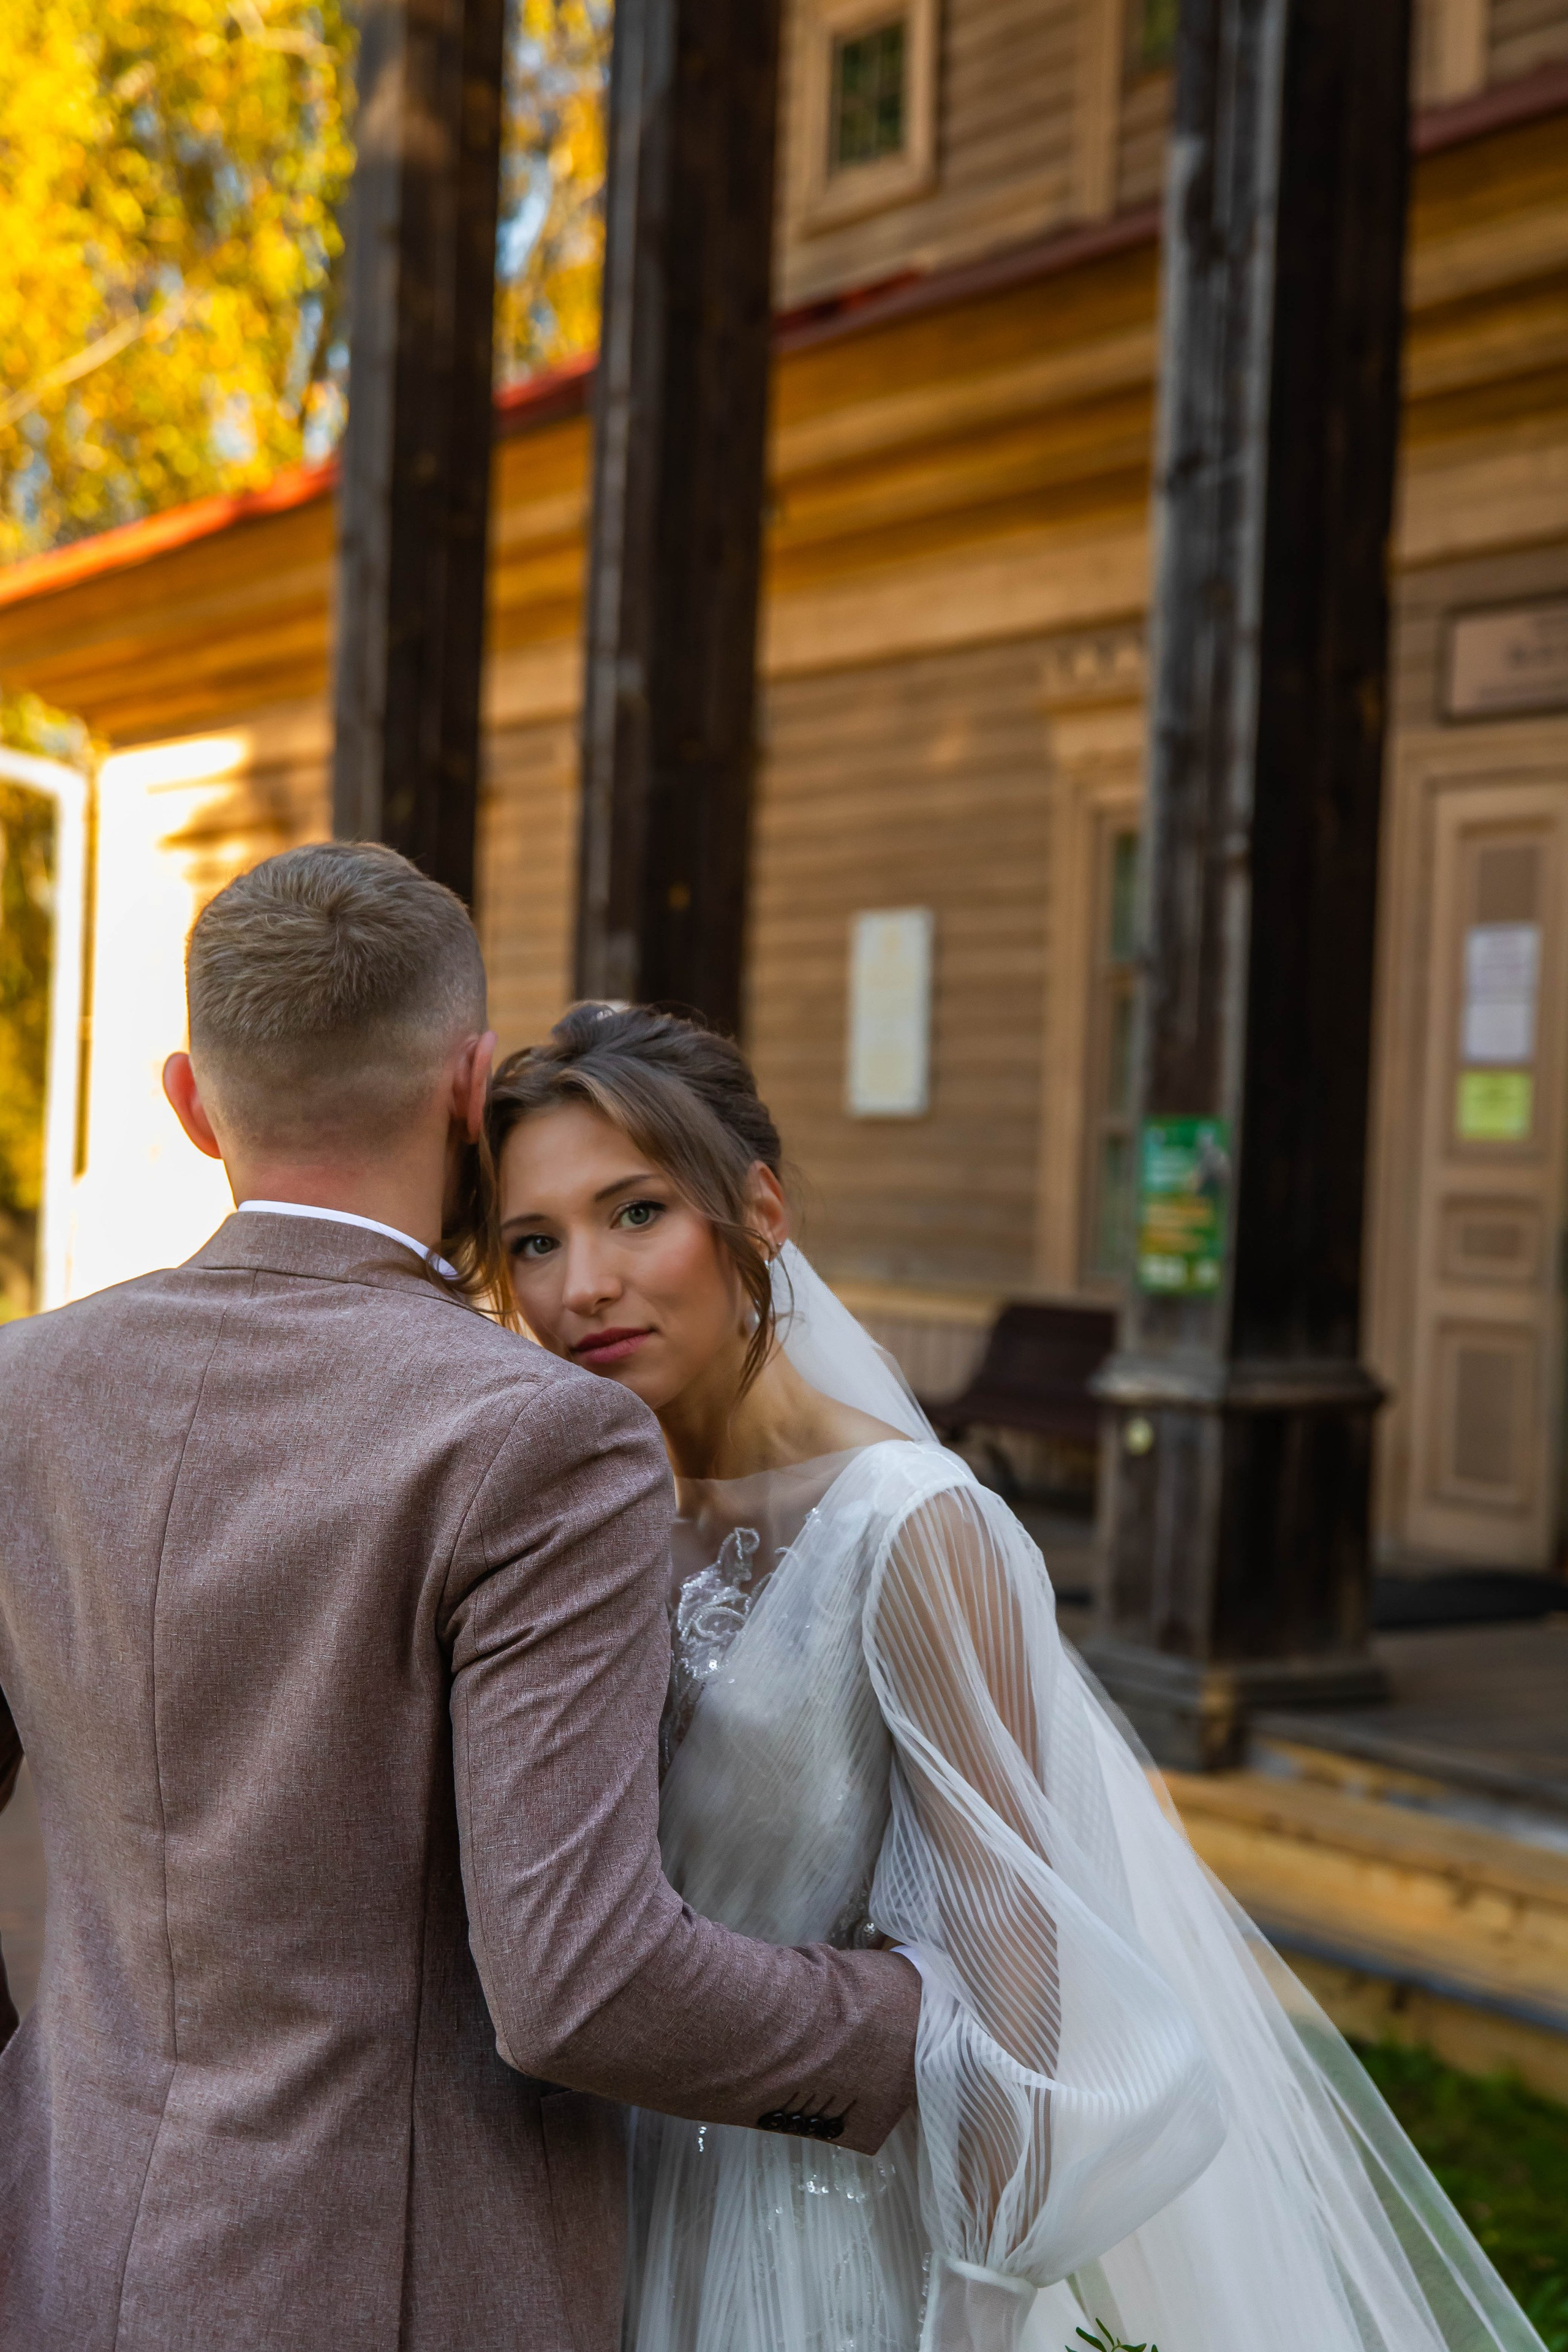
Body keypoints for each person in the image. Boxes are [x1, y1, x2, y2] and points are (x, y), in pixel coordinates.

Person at [479, 1001, 1545, 2352]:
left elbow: (1016, 1983)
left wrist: (972, 2307)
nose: (582, 1284)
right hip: (586, 2213)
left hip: (809, 2238)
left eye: (634, 1214)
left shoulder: (910, 1527)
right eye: (534, 1240)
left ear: (755, 1210)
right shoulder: (587, 1516)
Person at [0, 845, 922, 2352]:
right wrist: (903, 2032)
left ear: (188, 1101)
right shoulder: (539, 1437)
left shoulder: (17, 1390)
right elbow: (581, 1985)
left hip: (58, 2239)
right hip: (403, 2283)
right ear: (468, 1084)